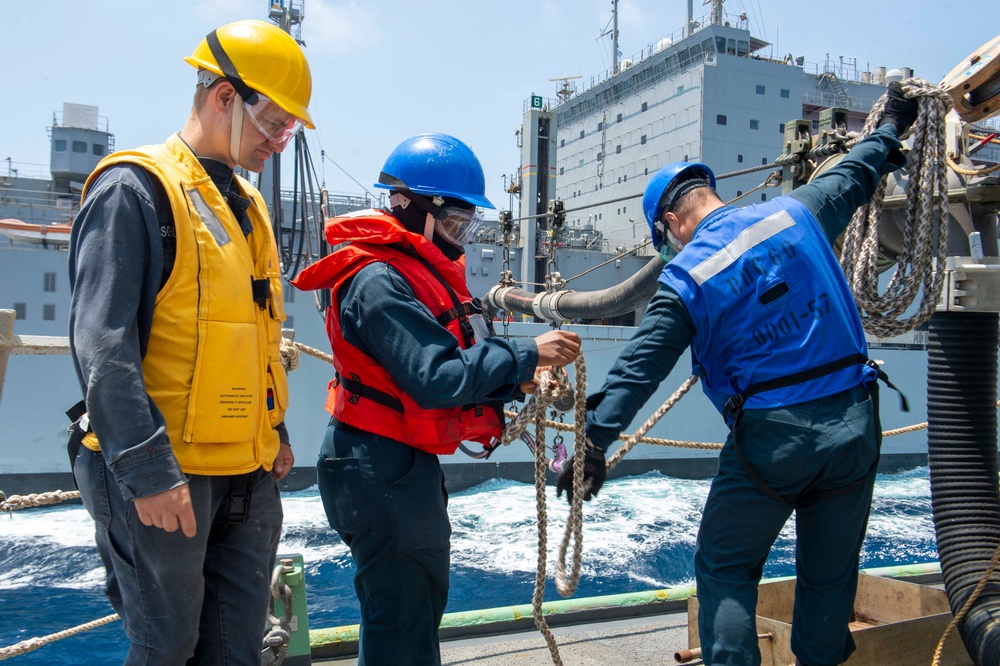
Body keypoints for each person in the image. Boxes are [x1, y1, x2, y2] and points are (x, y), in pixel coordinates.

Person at [557, 83, 920, 666]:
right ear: (712, 193)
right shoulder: (799, 211)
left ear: (673, 221)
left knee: (726, 568)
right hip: (855, 424)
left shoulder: (687, 277)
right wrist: (890, 126)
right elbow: (857, 171)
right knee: (829, 577)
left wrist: (593, 443)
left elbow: (640, 368)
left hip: (773, 439)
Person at [68, 19, 313, 665]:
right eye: (275, 122)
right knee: (167, 646)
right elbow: (102, 342)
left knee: (236, 649)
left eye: (289, 130)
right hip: (165, 474)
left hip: (245, 470)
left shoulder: (248, 206)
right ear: (225, 96)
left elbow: (251, 332)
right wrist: (149, 472)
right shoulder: (135, 189)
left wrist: (275, 430)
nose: (279, 142)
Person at [292, 133, 582, 664]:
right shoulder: (379, 280)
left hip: (394, 466)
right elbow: (436, 376)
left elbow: (434, 373)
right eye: (454, 225)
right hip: (379, 470)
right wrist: (524, 356)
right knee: (401, 626)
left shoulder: (400, 273)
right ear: (417, 210)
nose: (460, 239)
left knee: (410, 614)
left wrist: (515, 381)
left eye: (465, 227)